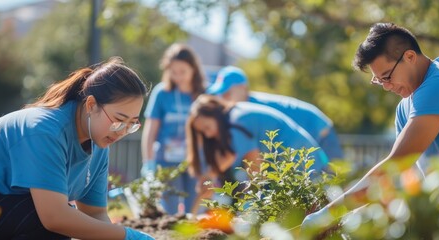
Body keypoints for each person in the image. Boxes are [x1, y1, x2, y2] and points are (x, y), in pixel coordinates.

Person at [302, 23, 439, 230]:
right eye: (379, 81)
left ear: (409, 57)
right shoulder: (404, 109)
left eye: (387, 76)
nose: (387, 87)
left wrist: (329, 215)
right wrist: (347, 220)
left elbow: (395, 164)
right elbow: (395, 181)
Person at [0, 57, 153, 239]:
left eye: (132, 124)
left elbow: (94, 214)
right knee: (53, 225)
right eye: (119, 120)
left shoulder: (99, 144)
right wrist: (127, 235)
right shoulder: (45, 130)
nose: (122, 131)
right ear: (91, 105)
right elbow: (54, 217)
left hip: (0, 209)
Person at [186, 95, 329, 195]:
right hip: (307, 160)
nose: (208, 135)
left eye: (207, 127)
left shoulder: (237, 123)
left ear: (215, 114)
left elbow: (256, 171)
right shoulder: (235, 114)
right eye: (203, 133)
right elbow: (230, 156)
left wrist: (252, 205)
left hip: (306, 164)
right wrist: (209, 176)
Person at [206, 66, 345, 160]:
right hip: (310, 134)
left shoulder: (252, 109)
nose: (224, 99)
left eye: (227, 93)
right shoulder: (249, 107)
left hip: (319, 131)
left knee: (335, 186)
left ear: (243, 88)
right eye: (221, 95)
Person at [140, 43, 206, 214]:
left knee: (194, 211)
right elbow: (150, 131)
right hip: (166, 160)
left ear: (194, 69)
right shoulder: (162, 93)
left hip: (196, 161)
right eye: (173, 72)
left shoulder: (205, 93)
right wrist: (149, 162)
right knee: (169, 211)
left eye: (183, 71)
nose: (178, 77)